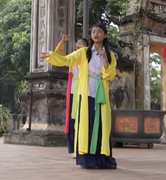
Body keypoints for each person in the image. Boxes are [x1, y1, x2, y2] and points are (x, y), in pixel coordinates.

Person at [42, 24, 117, 169]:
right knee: (86, 125)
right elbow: (67, 60)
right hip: (86, 92)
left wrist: (104, 59)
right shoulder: (83, 52)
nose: (96, 34)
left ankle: (102, 158)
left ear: (105, 35)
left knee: (102, 125)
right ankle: (87, 159)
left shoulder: (110, 55)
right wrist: (51, 55)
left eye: (99, 32)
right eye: (93, 31)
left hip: (101, 92)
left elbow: (110, 75)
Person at [53, 34, 89, 155]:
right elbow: (57, 53)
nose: (78, 46)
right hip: (73, 90)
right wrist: (62, 41)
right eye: (77, 44)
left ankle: (83, 147)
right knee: (72, 119)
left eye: (81, 44)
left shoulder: (89, 58)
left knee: (82, 118)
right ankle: (73, 147)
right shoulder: (72, 59)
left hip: (84, 90)